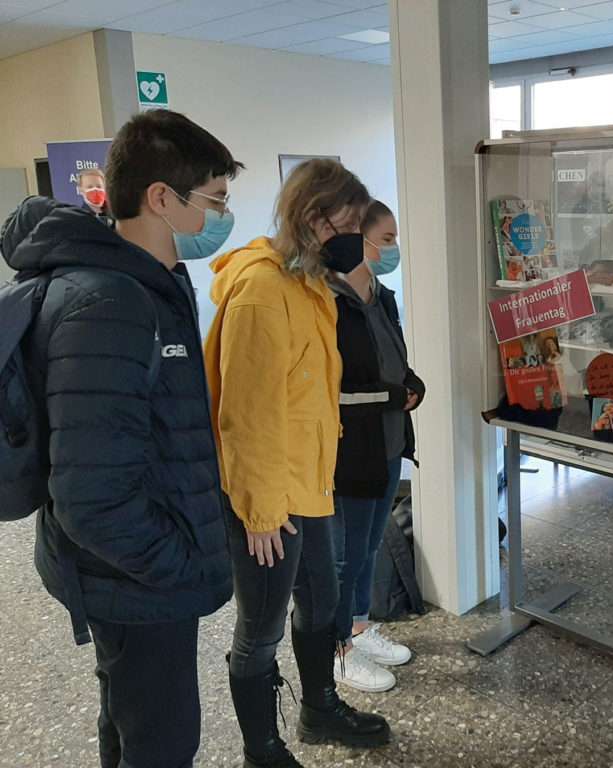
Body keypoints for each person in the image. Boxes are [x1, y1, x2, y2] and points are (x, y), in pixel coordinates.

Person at [1, 109, 240, 767]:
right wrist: (180, 568)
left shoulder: (151, 285)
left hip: (133, 569)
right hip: (135, 577)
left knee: (134, 725)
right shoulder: (109, 302)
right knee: (161, 742)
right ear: (161, 199)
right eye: (215, 200)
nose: (223, 217)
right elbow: (91, 499)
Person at [204, 158, 390, 768]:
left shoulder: (308, 287)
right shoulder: (260, 289)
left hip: (311, 484)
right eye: (350, 226)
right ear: (314, 220)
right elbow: (246, 414)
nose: (357, 242)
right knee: (260, 628)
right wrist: (258, 513)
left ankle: (319, 708)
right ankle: (263, 748)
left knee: (323, 603)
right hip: (267, 500)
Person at [329, 200, 425, 693]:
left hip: (388, 443)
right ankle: (337, 649)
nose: (393, 249)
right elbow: (331, 388)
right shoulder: (329, 301)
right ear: (356, 241)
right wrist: (391, 394)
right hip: (351, 451)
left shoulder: (381, 298)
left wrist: (412, 384)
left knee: (369, 546)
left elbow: (394, 362)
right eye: (385, 240)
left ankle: (360, 626)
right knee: (345, 553)